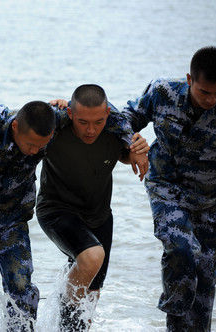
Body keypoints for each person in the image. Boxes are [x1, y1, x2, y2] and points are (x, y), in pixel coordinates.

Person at [0, 78, 149, 330]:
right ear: (14, 127)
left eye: (41, 146)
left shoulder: (57, 122)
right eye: (31, 144)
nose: (35, 152)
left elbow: (103, 112)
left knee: (23, 295)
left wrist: (132, 142)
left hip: (13, 223)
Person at [36, 84, 149, 331]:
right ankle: (66, 325)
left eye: (97, 122)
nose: (90, 130)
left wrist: (137, 150)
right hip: (56, 209)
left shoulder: (116, 128)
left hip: (98, 216)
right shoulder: (56, 124)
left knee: (91, 295)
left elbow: (125, 155)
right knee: (91, 257)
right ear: (71, 114)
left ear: (107, 113)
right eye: (83, 122)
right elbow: (21, 126)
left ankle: (60, 321)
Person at [121, 46, 216, 332]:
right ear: (189, 80)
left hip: (212, 199)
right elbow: (124, 119)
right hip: (167, 186)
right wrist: (133, 144)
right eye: (204, 93)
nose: (212, 100)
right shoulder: (163, 91)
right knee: (181, 249)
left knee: (204, 274)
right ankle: (174, 322)